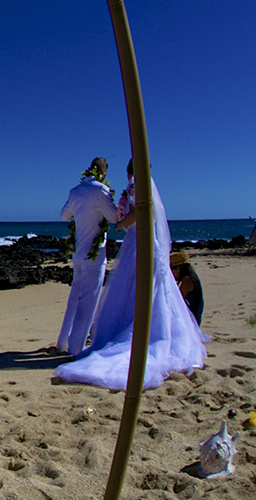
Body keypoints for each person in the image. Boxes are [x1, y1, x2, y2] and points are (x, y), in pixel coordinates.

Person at [55, 159, 208, 391]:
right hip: (124, 246)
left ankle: (67, 341)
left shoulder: (85, 190)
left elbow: (69, 216)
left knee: (103, 293)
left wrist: (120, 224)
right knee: (137, 292)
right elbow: (126, 215)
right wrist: (120, 222)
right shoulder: (119, 188)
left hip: (104, 247)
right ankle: (76, 343)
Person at [56, 157, 119, 355]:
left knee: (74, 297)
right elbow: (114, 217)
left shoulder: (75, 191)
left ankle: (63, 342)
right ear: (104, 173)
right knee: (88, 300)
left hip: (78, 252)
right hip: (94, 253)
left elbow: (64, 216)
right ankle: (76, 348)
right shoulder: (100, 189)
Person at [169, 250, 204, 325]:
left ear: (178, 268)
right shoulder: (192, 278)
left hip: (191, 320)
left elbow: (178, 300)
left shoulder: (187, 281)